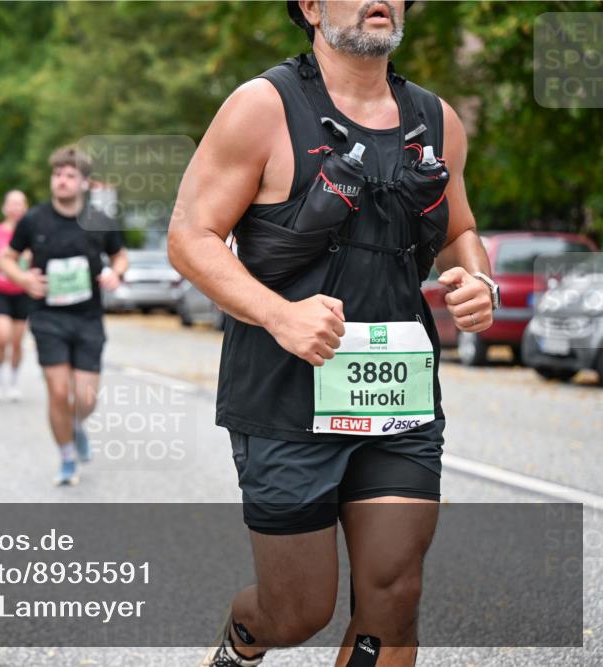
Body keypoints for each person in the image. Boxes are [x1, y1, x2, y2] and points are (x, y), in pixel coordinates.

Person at [167, 2, 500, 666]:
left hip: (398, 400)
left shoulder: (438, 121)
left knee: (394, 599)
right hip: (285, 397)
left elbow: (460, 232)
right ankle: (242, 640)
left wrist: (477, 280)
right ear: (312, 7)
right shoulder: (261, 108)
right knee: (296, 612)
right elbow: (189, 237)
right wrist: (279, 313)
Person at [0, 146, 128, 486]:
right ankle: (67, 457)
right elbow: (7, 258)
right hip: (47, 318)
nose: (62, 181)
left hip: (88, 319)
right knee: (58, 392)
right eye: (58, 175)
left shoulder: (99, 221)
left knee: (86, 399)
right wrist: (24, 278)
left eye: (70, 176)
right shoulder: (33, 220)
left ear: (85, 183)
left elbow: (120, 257)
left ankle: (74, 425)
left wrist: (116, 274)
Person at [0, 190, 31, 403]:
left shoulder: (32, 232)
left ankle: (13, 381)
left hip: (23, 292)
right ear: (4, 207)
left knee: (18, 342)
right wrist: (2, 263)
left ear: (25, 208)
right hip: (0, 291)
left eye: (20, 204)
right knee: (3, 338)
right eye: (11, 203)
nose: (15, 208)